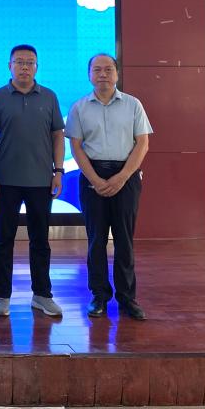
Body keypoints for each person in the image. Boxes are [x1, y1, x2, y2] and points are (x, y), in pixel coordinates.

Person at [66, 53, 152, 321]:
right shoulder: (79, 107)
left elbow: (142, 143)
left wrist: (122, 177)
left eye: (108, 69)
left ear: (117, 73)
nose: (102, 74)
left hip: (126, 175)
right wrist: (95, 179)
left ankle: (127, 298)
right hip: (92, 175)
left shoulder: (133, 105)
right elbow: (76, 147)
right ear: (89, 74)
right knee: (96, 240)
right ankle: (99, 296)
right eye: (97, 69)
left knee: (124, 240)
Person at [0, 44, 65, 319]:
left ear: (37, 67)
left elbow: (57, 135)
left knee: (40, 240)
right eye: (19, 62)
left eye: (30, 62)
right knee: (3, 240)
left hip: (41, 180)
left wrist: (58, 171)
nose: (25, 67)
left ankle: (42, 294)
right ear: (9, 66)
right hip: (6, 181)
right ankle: (2, 295)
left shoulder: (49, 97)